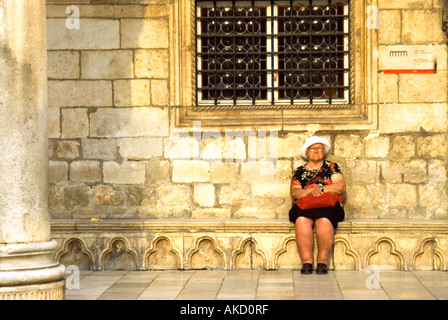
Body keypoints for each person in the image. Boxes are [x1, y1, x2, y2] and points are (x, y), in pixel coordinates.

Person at [289, 136, 346, 274]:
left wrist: (320, 189)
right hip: (306, 205)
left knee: (324, 220)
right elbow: (294, 191)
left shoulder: (332, 167)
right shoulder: (300, 171)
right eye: (313, 148)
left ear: (324, 151)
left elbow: (340, 186)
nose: (316, 151)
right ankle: (307, 262)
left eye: (319, 148)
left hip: (328, 205)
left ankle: (322, 262)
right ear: (307, 152)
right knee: (301, 220)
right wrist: (308, 191)